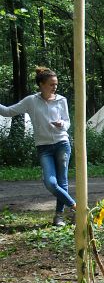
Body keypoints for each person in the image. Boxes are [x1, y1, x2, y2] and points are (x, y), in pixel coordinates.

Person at [0, 66, 76, 226]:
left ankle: (59, 217)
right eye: (51, 84)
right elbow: (7, 111)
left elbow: (68, 122)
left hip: (62, 143)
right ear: (41, 84)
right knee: (50, 182)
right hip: (44, 148)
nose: (55, 87)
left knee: (62, 181)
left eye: (56, 84)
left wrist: (61, 123)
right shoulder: (31, 101)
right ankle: (75, 206)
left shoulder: (62, 100)